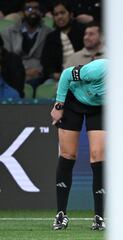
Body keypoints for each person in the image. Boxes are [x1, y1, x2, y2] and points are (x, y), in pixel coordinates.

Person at [51, 58, 106, 231]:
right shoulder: (99, 69)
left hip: (99, 108)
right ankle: (61, 214)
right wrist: (59, 106)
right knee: (68, 155)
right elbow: (67, 74)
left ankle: (99, 217)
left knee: (98, 156)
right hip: (73, 100)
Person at [0, 0, 52, 89]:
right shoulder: (8, 32)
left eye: (36, 8)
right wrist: (23, 71)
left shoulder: (49, 33)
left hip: (40, 75)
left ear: (41, 12)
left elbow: (51, 59)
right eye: (29, 9)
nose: (33, 11)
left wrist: (40, 71)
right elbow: (6, 59)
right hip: (14, 74)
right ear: (22, 12)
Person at [41, 0, 85, 82]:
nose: (59, 17)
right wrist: (55, 75)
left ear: (71, 14)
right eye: (56, 14)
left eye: (62, 13)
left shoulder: (83, 32)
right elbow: (46, 64)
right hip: (59, 78)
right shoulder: (51, 37)